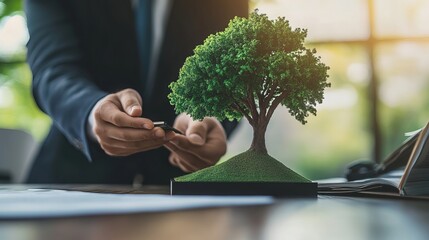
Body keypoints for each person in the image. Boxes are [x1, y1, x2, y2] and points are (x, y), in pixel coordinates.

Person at [25, 0, 248, 184]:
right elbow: (52, 72)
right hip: (71, 185)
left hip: (176, 195)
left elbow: (234, 76)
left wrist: (208, 117)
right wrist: (91, 112)